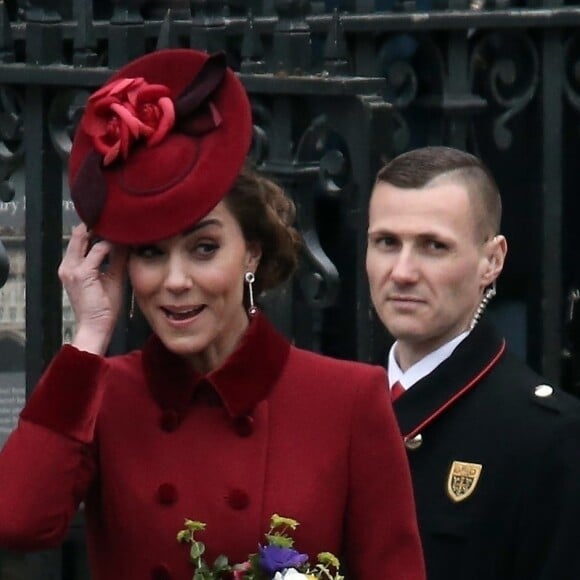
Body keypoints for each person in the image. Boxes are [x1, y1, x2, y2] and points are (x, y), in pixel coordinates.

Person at [0, 49, 425, 580]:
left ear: (251, 252)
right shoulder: (103, 394)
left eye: (203, 249)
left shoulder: (349, 399)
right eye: (152, 253)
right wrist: (89, 335)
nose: (176, 281)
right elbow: (15, 521)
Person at [365, 145, 580, 580]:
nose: (402, 271)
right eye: (387, 242)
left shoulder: (547, 436)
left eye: (433, 246)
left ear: (492, 261)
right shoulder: (334, 406)